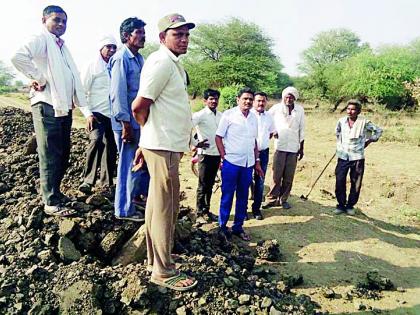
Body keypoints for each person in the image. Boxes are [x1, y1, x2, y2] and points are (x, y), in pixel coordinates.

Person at [131, 13, 197, 291]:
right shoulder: (161, 63)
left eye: (186, 34)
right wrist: (149, 136)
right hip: (162, 144)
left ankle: (155, 259)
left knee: (158, 205)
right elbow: (139, 106)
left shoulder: (172, 64)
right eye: (177, 34)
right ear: (162, 38)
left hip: (166, 144)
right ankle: (163, 270)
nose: (183, 39)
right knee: (165, 208)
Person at [11, 5, 95, 217]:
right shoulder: (41, 38)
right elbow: (18, 56)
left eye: (64, 21)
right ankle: (50, 201)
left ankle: (56, 193)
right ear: (44, 20)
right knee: (49, 154)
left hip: (63, 108)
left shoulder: (61, 47)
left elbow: (72, 77)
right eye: (56, 20)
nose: (61, 24)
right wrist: (38, 78)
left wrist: (81, 106)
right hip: (46, 105)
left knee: (62, 152)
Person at [109, 17, 150, 221]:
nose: (143, 36)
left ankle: (134, 202)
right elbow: (117, 94)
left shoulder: (139, 59)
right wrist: (125, 125)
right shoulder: (120, 58)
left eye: (143, 32)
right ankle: (124, 210)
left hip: (138, 122)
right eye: (139, 33)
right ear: (127, 36)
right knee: (127, 166)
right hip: (126, 124)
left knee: (139, 165)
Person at [215, 87, 264, 241]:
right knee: (227, 195)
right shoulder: (229, 115)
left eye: (250, 99)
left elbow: (254, 142)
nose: (248, 102)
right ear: (238, 100)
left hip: (247, 164)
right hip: (231, 163)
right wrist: (224, 156)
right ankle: (222, 227)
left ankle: (238, 227)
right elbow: (218, 137)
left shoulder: (253, 118)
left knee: (243, 196)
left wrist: (256, 162)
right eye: (245, 99)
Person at [78, 35, 118, 195]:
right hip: (96, 113)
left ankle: (106, 183)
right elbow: (81, 92)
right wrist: (87, 114)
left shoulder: (116, 66)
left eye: (114, 47)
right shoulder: (92, 66)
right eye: (109, 47)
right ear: (101, 48)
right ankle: (88, 181)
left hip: (113, 114)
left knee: (111, 147)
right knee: (96, 141)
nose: (112, 50)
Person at [334, 99, 382, 215]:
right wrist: (341, 145)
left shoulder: (364, 122)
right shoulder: (341, 121)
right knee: (340, 180)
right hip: (342, 156)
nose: (350, 112)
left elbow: (378, 131)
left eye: (353, 109)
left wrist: (368, 141)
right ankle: (341, 205)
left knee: (356, 183)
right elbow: (337, 133)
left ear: (358, 111)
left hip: (357, 157)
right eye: (348, 109)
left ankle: (350, 206)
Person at [264, 86, 305, 209]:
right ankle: (271, 199)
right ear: (283, 97)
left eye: (291, 97)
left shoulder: (300, 110)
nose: (289, 99)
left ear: (295, 98)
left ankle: (284, 199)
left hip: (293, 147)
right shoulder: (276, 108)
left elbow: (302, 129)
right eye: (287, 96)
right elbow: (266, 120)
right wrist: (273, 131)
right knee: (276, 175)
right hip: (279, 146)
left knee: (288, 176)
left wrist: (301, 148)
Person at [192, 89, 222, 223]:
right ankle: (199, 213)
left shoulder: (221, 115)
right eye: (211, 98)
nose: (214, 101)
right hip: (204, 155)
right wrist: (195, 143)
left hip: (217, 154)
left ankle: (206, 211)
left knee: (210, 185)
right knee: (202, 184)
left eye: (216, 98)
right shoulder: (200, 115)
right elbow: (186, 127)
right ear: (205, 101)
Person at [250, 92, 275, 220]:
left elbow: (271, 133)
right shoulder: (248, 115)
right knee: (245, 181)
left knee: (260, 182)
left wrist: (261, 144)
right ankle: (242, 210)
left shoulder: (269, 116)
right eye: (258, 101)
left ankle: (256, 209)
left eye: (263, 101)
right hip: (248, 152)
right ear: (253, 102)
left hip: (263, 152)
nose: (260, 103)